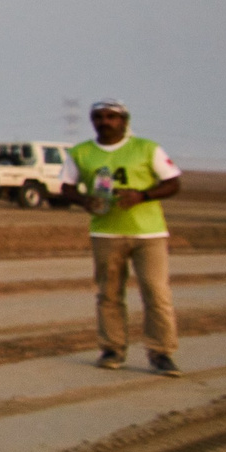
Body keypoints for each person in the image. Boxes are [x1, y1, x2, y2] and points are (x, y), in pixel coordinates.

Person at [72, 99, 182, 376]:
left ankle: (161, 353)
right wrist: (84, 200)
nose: (105, 121)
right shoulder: (81, 153)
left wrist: (142, 196)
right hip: (105, 233)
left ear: (124, 120)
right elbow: (65, 185)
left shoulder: (146, 148)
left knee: (156, 293)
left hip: (149, 233)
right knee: (108, 294)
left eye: (111, 117)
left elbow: (173, 183)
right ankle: (112, 349)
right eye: (99, 117)